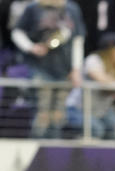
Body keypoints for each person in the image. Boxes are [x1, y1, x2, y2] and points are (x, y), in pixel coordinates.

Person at [12, 0, 86, 138]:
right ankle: (35, 150)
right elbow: (17, 32)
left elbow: (78, 39)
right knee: (42, 114)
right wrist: (31, 47)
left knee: (58, 115)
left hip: (64, 68)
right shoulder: (34, 7)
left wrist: (76, 68)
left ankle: (53, 153)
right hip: (40, 67)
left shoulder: (71, 8)